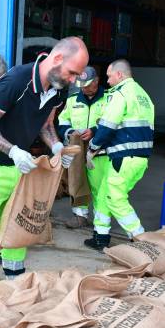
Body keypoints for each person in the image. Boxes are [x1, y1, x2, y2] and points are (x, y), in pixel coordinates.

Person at [0, 37, 88, 293]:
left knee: (17, 225)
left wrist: (56, 147)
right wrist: (13, 151)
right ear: (57, 59)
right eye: (72, 72)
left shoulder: (59, 88)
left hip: (19, 167)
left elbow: (45, 123)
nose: (74, 80)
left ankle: (15, 287)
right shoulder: (17, 81)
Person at [84, 59, 154, 251]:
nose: (107, 80)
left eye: (109, 75)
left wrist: (92, 147)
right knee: (106, 194)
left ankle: (141, 239)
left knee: (115, 198)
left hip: (124, 157)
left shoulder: (120, 94)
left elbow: (108, 125)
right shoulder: (143, 95)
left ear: (120, 75)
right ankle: (101, 236)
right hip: (139, 158)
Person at [56, 66, 108, 229]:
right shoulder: (72, 100)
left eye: (88, 84)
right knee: (77, 182)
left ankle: (101, 223)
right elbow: (62, 122)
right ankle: (80, 216)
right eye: (82, 85)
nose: (84, 88)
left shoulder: (109, 99)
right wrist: (71, 132)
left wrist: (94, 131)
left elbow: (115, 123)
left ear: (97, 81)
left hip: (99, 152)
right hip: (77, 151)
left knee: (100, 187)